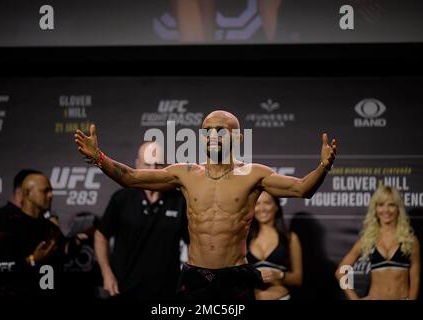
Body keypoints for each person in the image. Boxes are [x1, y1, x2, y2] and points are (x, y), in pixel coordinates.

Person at [74, 109, 336, 299]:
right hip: (195, 277)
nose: (212, 135)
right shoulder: (186, 173)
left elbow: (303, 189)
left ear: (238, 138)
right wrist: (100, 158)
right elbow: (131, 178)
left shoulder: (254, 175)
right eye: (207, 131)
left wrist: (323, 167)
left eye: (220, 130)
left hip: (235, 276)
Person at [94, 142, 189, 299]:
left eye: (158, 165)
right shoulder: (122, 199)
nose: (152, 170)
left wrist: (188, 280)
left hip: (166, 293)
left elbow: (193, 244)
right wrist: (107, 274)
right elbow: (101, 235)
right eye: (148, 164)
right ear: (137, 165)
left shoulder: (180, 201)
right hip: (122, 290)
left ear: (167, 166)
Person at [335, 185, 420, 300]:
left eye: (391, 205)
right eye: (381, 205)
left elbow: (415, 280)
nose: (386, 210)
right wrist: (354, 298)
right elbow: (340, 272)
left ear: (398, 208)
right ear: (375, 209)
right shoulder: (368, 239)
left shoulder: (409, 240)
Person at [0, 172, 68, 297]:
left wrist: (80, 238)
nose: (51, 195)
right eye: (45, 191)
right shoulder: (8, 222)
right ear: (27, 193)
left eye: (51, 191)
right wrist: (32, 260)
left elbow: (65, 253)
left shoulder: (51, 227)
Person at [247, 192, 302, 300]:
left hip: (279, 293)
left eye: (267, 203)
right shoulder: (245, 238)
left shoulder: (290, 238)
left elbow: (298, 279)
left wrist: (279, 275)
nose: (262, 208)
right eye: (257, 204)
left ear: (276, 206)